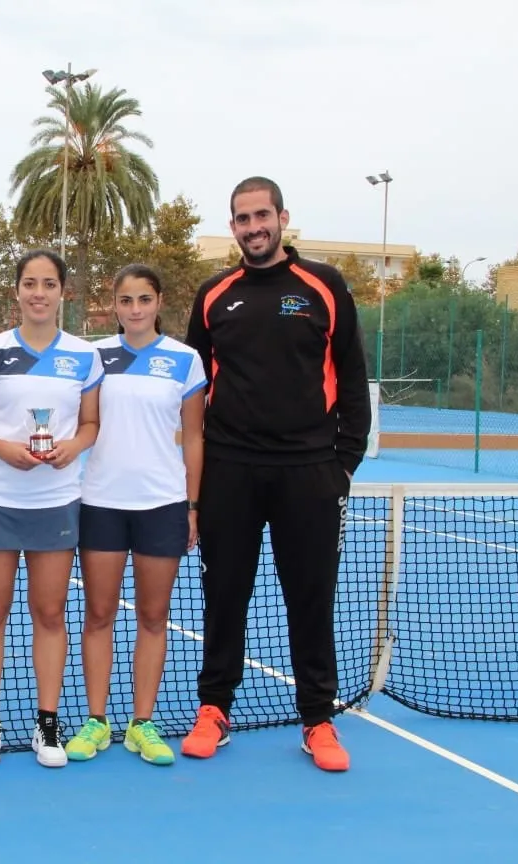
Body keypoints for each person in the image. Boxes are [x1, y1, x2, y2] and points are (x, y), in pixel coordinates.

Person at [181, 176, 371, 772]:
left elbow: (353, 377)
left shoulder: (324, 286)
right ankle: (215, 709)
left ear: (282, 218)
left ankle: (317, 719)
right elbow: (193, 391)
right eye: (242, 218)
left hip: (310, 474)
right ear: (232, 226)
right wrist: (198, 481)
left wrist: (340, 466)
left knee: (311, 599)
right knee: (224, 597)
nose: (253, 227)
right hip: (230, 471)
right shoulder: (214, 295)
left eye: (262, 215)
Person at [0, 248, 103, 768]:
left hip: (56, 501)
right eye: (29, 283)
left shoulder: (85, 355)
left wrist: (73, 448)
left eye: (48, 284)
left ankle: (48, 725)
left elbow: (90, 424)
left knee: (49, 613)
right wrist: (1, 449)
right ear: (16, 290)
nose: (38, 293)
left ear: (63, 291)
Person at [66, 263, 206, 766]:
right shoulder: (93, 357)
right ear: (115, 304)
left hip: (162, 505)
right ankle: (97, 720)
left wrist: (192, 504)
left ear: (159, 301)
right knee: (99, 614)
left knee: (153, 617)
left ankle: (141, 723)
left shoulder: (185, 361)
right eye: (126, 301)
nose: (135, 309)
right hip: (101, 501)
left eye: (144, 299)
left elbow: (193, 435)